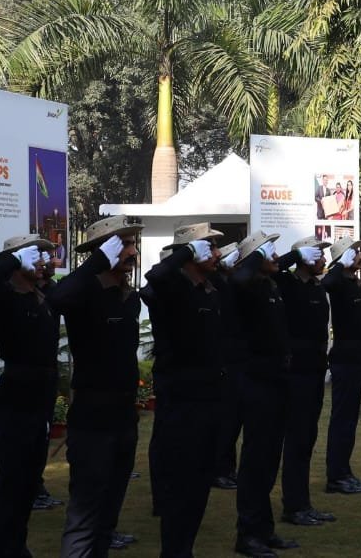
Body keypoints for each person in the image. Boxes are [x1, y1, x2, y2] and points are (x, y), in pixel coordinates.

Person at [50, 215, 143, 558]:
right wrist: (97, 261)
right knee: (85, 516)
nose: (132, 252)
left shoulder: (128, 296)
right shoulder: (85, 292)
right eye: (125, 245)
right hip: (92, 417)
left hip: (123, 416)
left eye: (133, 244)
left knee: (108, 515)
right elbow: (57, 298)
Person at [141, 222, 226, 558]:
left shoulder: (211, 287)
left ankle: (185, 548)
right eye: (210, 247)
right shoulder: (171, 288)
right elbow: (155, 277)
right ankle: (174, 551)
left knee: (201, 481)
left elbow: (240, 276)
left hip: (210, 396)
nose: (217, 254)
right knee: (181, 482)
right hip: (181, 399)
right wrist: (186, 252)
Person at [0, 234, 60, 558]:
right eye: (37, 256)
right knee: (12, 481)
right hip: (17, 395)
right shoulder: (5, 295)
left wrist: (43, 267)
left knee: (28, 482)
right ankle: (3, 549)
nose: (45, 261)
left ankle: (16, 545)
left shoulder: (45, 294)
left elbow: (73, 287)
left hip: (43, 395)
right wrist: (14, 258)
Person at [228, 230, 298, 558]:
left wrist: (265, 254)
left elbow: (279, 266)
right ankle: (247, 534)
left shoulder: (270, 285)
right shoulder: (245, 288)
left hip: (277, 381)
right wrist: (255, 253)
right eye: (267, 251)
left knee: (270, 459)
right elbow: (238, 278)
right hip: (255, 384)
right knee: (255, 461)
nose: (275, 255)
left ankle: (264, 529)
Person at [276, 234, 334, 529]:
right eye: (318, 254)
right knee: (296, 440)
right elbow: (273, 268)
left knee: (307, 439)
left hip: (314, 373)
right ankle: (293, 506)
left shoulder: (317, 287)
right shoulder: (286, 284)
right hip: (295, 374)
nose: (323, 259)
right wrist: (295, 255)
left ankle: (303, 503)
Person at [323, 235, 361, 494]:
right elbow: (327, 282)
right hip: (345, 356)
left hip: (357, 358)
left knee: (350, 419)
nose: (360, 257)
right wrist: (339, 265)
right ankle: (336, 476)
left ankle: (344, 470)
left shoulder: (351, 282)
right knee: (342, 418)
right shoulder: (338, 280)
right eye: (355, 252)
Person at [212, 239, 246, 490]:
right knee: (225, 420)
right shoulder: (217, 283)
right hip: (224, 359)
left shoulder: (233, 284)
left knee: (234, 419)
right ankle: (220, 469)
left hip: (236, 359)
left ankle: (228, 468)